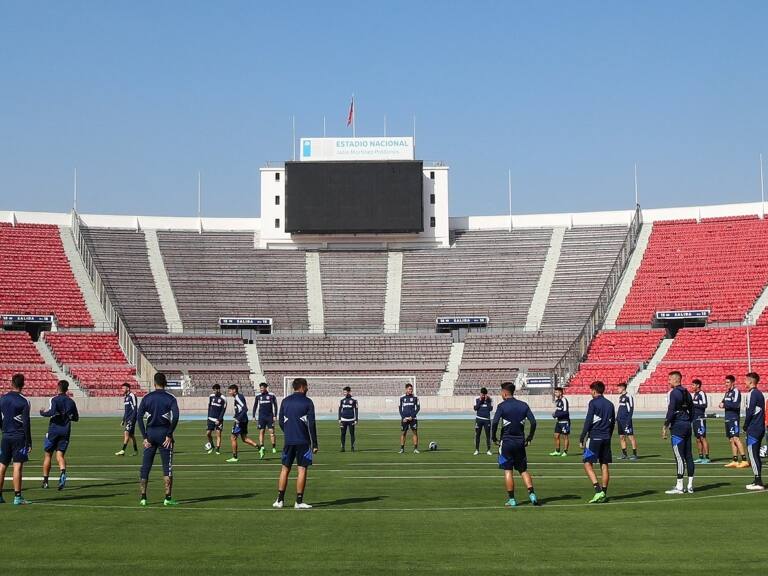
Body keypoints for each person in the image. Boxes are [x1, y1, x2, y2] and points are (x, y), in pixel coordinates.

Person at [491, 382, 539, 507]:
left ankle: (512, 499)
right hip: (520, 442)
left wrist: (494, 437)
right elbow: (533, 422)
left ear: (504, 393)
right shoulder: (523, 405)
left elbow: (495, 422)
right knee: (523, 470)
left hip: (507, 442)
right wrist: (529, 437)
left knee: (508, 470)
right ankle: (532, 494)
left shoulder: (502, 406)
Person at [273, 378, 318, 509]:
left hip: (289, 440)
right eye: (306, 386)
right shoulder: (308, 402)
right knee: (302, 470)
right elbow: (312, 424)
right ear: (302, 387)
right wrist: (314, 443)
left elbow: (281, 421)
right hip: (303, 441)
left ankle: (279, 500)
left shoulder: (285, 401)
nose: (308, 388)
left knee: (284, 469)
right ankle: (298, 502)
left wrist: (288, 432)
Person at [137, 372, 179, 506]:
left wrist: (144, 437)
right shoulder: (170, 398)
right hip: (164, 434)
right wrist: (169, 434)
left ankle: (143, 498)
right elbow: (176, 416)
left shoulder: (147, 397)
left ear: (154, 383)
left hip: (150, 434)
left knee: (146, 466)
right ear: (165, 383)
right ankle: (167, 498)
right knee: (167, 467)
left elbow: (139, 417)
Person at [579, 381, 615, 504]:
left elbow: (588, 420)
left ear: (594, 391)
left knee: (587, 463)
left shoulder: (593, 403)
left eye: (591, 390)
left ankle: (598, 490)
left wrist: (582, 436)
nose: (590, 392)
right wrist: (609, 435)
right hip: (606, 437)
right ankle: (604, 493)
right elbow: (612, 422)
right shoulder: (610, 404)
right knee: (604, 465)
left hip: (594, 437)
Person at [40, 380, 79, 490]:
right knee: (60, 455)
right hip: (65, 431)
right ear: (67, 389)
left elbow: (51, 412)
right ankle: (62, 472)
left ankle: (45, 481)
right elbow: (76, 418)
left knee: (48, 455)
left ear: (58, 388)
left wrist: (42, 413)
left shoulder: (54, 399)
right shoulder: (71, 402)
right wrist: (68, 416)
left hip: (54, 430)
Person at [0, 373, 32, 505]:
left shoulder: (2, 399)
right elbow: (26, 423)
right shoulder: (24, 401)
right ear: (23, 384)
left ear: (11, 383)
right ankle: (17, 497)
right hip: (19, 437)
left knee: (2, 465)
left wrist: (4, 430)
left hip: (6, 436)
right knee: (17, 466)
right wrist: (29, 442)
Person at [662, 371, 695, 494]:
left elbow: (671, 410)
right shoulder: (687, 392)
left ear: (676, 379)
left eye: (670, 379)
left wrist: (665, 425)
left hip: (678, 427)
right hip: (687, 425)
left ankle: (680, 486)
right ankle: (690, 485)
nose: (668, 381)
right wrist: (688, 421)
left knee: (679, 457)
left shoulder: (674, 393)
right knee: (689, 456)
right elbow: (692, 410)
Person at [720, 375, 749, 468]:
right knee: (731, 439)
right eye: (725, 382)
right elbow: (723, 402)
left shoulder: (736, 391)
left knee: (736, 438)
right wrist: (722, 403)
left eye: (728, 382)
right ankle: (735, 460)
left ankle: (744, 460)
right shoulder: (727, 392)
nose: (726, 384)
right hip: (727, 418)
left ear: (733, 383)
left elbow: (736, 405)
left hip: (734, 418)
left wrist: (724, 405)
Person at [743, 372, 765, 490]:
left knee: (752, 454)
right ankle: (757, 479)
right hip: (759, 427)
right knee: (755, 454)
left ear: (751, 381)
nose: (744, 382)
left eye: (746, 380)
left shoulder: (752, 393)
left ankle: (758, 481)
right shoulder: (759, 393)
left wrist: (745, 425)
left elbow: (750, 411)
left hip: (754, 428)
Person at [226, 384, 259, 463]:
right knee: (244, 438)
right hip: (243, 420)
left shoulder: (238, 397)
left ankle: (234, 457)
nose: (229, 392)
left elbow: (245, 408)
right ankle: (259, 447)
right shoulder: (238, 397)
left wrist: (238, 418)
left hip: (240, 421)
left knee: (233, 437)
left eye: (230, 391)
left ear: (234, 390)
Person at [253, 382, 278, 458]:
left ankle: (273, 447)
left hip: (270, 417)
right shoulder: (258, 396)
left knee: (272, 432)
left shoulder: (271, 395)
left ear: (265, 388)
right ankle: (262, 446)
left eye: (262, 388)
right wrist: (253, 416)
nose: (261, 389)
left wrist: (275, 415)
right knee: (261, 431)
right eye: (260, 388)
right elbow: (255, 406)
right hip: (261, 417)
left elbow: (275, 406)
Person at [616, 382, 638, 461]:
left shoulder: (629, 396)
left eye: (618, 388)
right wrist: (617, 418)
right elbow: (621, 409)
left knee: (630, 437)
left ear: (623, 388)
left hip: (626, 420)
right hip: (620, 420)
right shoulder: (621, 397)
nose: (617, 390)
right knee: (622, 437)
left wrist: (628, 421)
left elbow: (631, 409)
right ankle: (624, 454)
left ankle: (634, 454)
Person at [115, 382, 138, 456]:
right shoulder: (125, 397)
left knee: (126, 433)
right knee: (131, 435)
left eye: (123, 388)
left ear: (128, 388)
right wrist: (123, 420)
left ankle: (123, 450)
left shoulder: (132, 396)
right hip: (127, 419)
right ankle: (136, 451)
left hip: (131, 418)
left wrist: (132, 419)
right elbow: (126, 410)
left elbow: (135, 408)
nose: (122, 389)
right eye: (122, 388)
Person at [691, 379, 710, 464]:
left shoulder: (701, 393)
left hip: (700, 418)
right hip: (695, 418)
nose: (692, 387)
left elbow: (704, 405)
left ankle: (707, 457)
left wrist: (693, 404)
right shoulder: (695, 394)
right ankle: (700, 457)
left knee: (702, 437)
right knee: (698, 438)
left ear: (698, 385)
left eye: (693, 385)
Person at [204, 384, 226, 455]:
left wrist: (219, 420)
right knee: (208, 433)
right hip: (210, 418)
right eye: (213, 390)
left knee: (218, 434)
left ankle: (217, 449)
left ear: (219, 389)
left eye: (215, 390)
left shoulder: (223, 398)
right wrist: (208, 417)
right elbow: (209, 406)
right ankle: (212, 446)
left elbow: (223, 410)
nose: (214, 391)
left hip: (218, 420)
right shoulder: (211, 396)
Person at [399, 383, 420, 454]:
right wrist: (403, 417)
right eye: (409, 389)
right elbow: (400, 409)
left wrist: (412, 416)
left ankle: (415, 449)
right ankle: (402, 449)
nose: (411, 390)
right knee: (403, 433)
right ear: (406, 389)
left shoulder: (415, 397)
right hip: (404, 418)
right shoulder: (401, 397)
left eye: (411, 389)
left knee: (415, 433)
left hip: (413, 418)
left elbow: (418, 408)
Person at [549, 387, 570, 457]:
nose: (555, 393)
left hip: (564, 421)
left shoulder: (564, 400)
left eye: (556, 392)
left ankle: (565, 452)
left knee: (565, 437)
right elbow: (558, 409)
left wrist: (556, 415)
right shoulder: (557, 401)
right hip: (559, 421)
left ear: (560, 393)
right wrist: (554, 413)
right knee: (556, 436)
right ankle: (557, 451)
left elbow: (566, 412)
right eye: (555, 392)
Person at [473, 387, 493, 455]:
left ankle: (488, 450)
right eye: (482, 394)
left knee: (488, 435)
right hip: (479, 419)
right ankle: (477, 450)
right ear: (480, 393)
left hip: (487, 420)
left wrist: (487, 401)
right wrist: (480, 401)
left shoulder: (490, 399)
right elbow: (475, 408)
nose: (483, 396)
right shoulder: (476, 399)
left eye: (484, 394)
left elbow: (490, 409)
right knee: (477, 435)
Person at [338, 386, 358, 452]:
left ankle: (352, 447)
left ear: (349, 392)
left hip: (351, 420)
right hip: (343, 420)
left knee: (352, 434)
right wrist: (339, 418)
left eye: (345, 392)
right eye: (343, 392)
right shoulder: (342, 400)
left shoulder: (354, 401)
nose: (344, 393)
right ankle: (342, 447)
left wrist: (356, 419)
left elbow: (356, 410)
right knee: (343, 434)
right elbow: (339, 409)